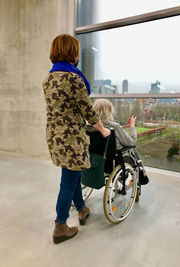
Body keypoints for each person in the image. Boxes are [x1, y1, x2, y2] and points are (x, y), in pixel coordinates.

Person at [42, 34, 110, 244]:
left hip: (54, 135)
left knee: (72, 175)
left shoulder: (49, 78)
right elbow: (88, 113)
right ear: (72, 52)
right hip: (71, 138)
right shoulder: (74, 78)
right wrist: (103, 130)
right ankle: (60, 225)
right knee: (68, 181)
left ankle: (81, 209)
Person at [92, 98, 149, 185]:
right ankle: (142, 175)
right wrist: (132, 126)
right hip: (114, 161)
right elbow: (132, 142)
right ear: (109, 111)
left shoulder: (89, 126)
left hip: (95, 160)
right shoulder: (114, 127)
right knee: (133, 150)